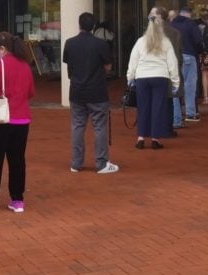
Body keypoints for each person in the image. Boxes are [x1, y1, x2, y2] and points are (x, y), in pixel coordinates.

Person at [0, 32, 36, 212]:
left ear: (2, 48)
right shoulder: (25, 66)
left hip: (0, 118)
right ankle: (17, 199)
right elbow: (31, 92)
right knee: (17, 160)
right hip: (22, 119)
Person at [63, 12, 119, 174]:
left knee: (77, 126)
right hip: (97, 91)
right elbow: (108, 66)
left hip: (77, 91)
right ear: (94, 26)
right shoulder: (100, 44)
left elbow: (68, 63)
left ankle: (76, 163)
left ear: (79, 25)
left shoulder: (70, 43)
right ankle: (101, 163)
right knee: (100, 127)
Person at [126, 9, 181, 150]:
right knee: (158, 107)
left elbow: (133, 60)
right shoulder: (166, 42)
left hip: (142, 77)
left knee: (143, 107)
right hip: (160, 76)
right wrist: (175, 81)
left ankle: (141, 137)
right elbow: (172, 63)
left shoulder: (140, 41)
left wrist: (130, 77)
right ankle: (155, 138)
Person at [171, 7, 203, 122]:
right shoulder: (191, 24)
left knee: (175, 86)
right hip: (189, 55)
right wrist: (199, 51)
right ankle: (190, 113)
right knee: (190, 86)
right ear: (189, 14)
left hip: (174, 58)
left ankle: (176, 115)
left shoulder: (171, 24)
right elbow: (198, 40)